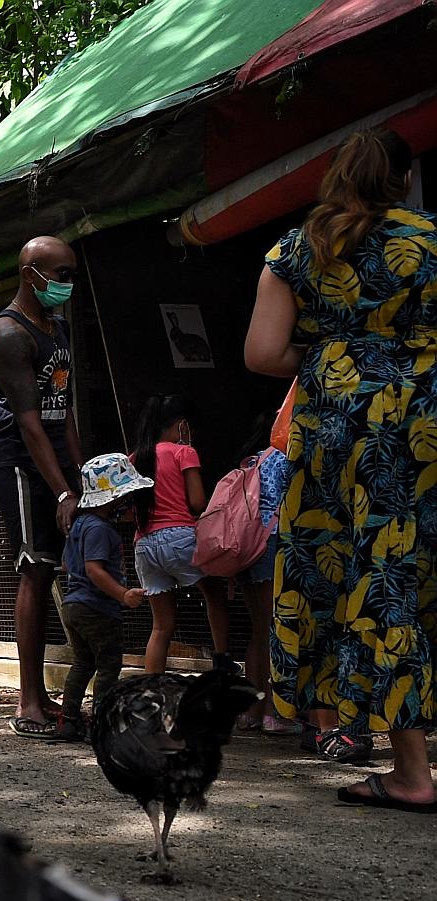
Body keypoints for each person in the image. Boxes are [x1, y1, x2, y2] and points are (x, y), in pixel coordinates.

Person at [244, 127, 437, 807]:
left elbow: (263, 353)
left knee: (375, 577)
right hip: (426, 425)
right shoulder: (430, 239)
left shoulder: (298, 251)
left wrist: (339, 355)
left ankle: (412, 774)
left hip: (344, 439)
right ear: (405, 179)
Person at [0, 235, 84, 738]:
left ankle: (49, 696)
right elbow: (28, 423)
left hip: (56, 460)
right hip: (19, 462)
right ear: (31, 275)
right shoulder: (8, 334)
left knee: (54, 572)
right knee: (35, 568)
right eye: (60, 274)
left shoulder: (59, 329)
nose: (67, 283)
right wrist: (60, 492)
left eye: (71, 274)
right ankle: (28, 702)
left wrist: (80, 480)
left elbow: (62, 413)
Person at [129, 395, 234, 674]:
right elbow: (198, 502)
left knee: (161, 626)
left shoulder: (135, 458)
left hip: (144, 546)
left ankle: (152, 692)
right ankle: (222, 658)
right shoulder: (183, 452)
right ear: (182, 425)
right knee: (214, 593)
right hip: (179, 538)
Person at [55, 454, 150, 743]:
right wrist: (123, 594)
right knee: (109, 665)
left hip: (73, 605)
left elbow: (68, 564)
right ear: (113, 498)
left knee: (83, 663)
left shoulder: (80, 525)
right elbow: (93, 570)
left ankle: (68, 720)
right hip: (96, 608)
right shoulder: (99, 529)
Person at [230, 414, 297, 737]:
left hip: (246, 547)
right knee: (276, 631)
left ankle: (250, 712)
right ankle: (275, 712)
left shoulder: (252, 460)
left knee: (259, 631)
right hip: (274, 545)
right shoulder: (286, 457)